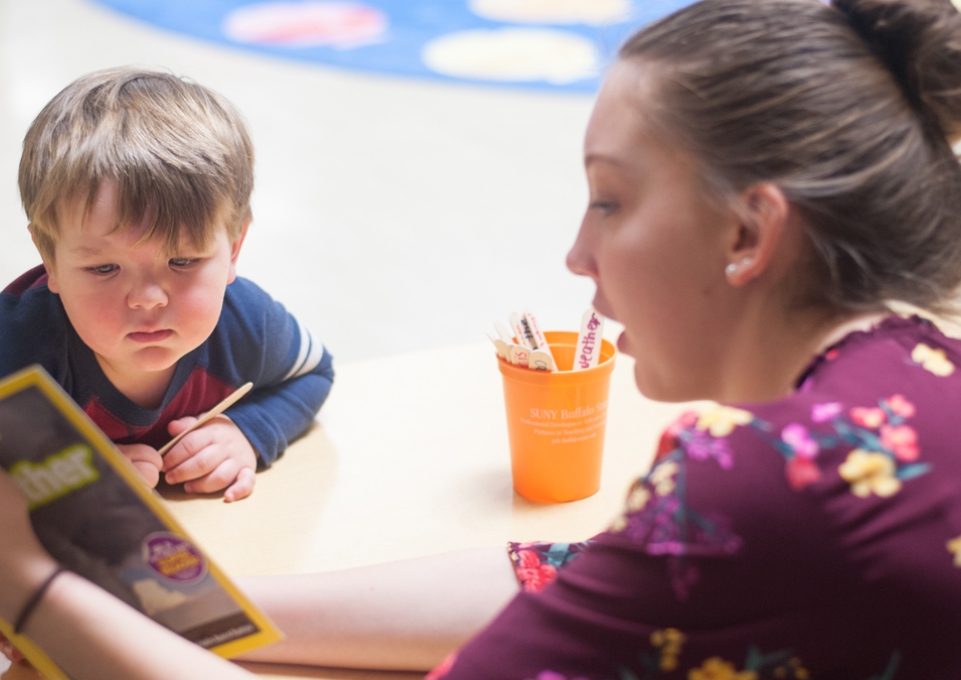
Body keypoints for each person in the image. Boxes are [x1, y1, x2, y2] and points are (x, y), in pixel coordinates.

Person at [3, 0, 961, 676]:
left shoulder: (768, 478)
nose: (578, 254)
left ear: (747, 233)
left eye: (611, 200)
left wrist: (36, 592)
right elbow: (566, 579)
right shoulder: (919, 378)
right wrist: (190, 610)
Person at [0, 68, 335, 502]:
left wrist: (250, 432)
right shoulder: (16, 347)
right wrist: (68, 472)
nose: (146, 298)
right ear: (50, 260)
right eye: (104, 269)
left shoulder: (247, 324)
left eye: (182, 261)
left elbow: (313, 372)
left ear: (233, 249)